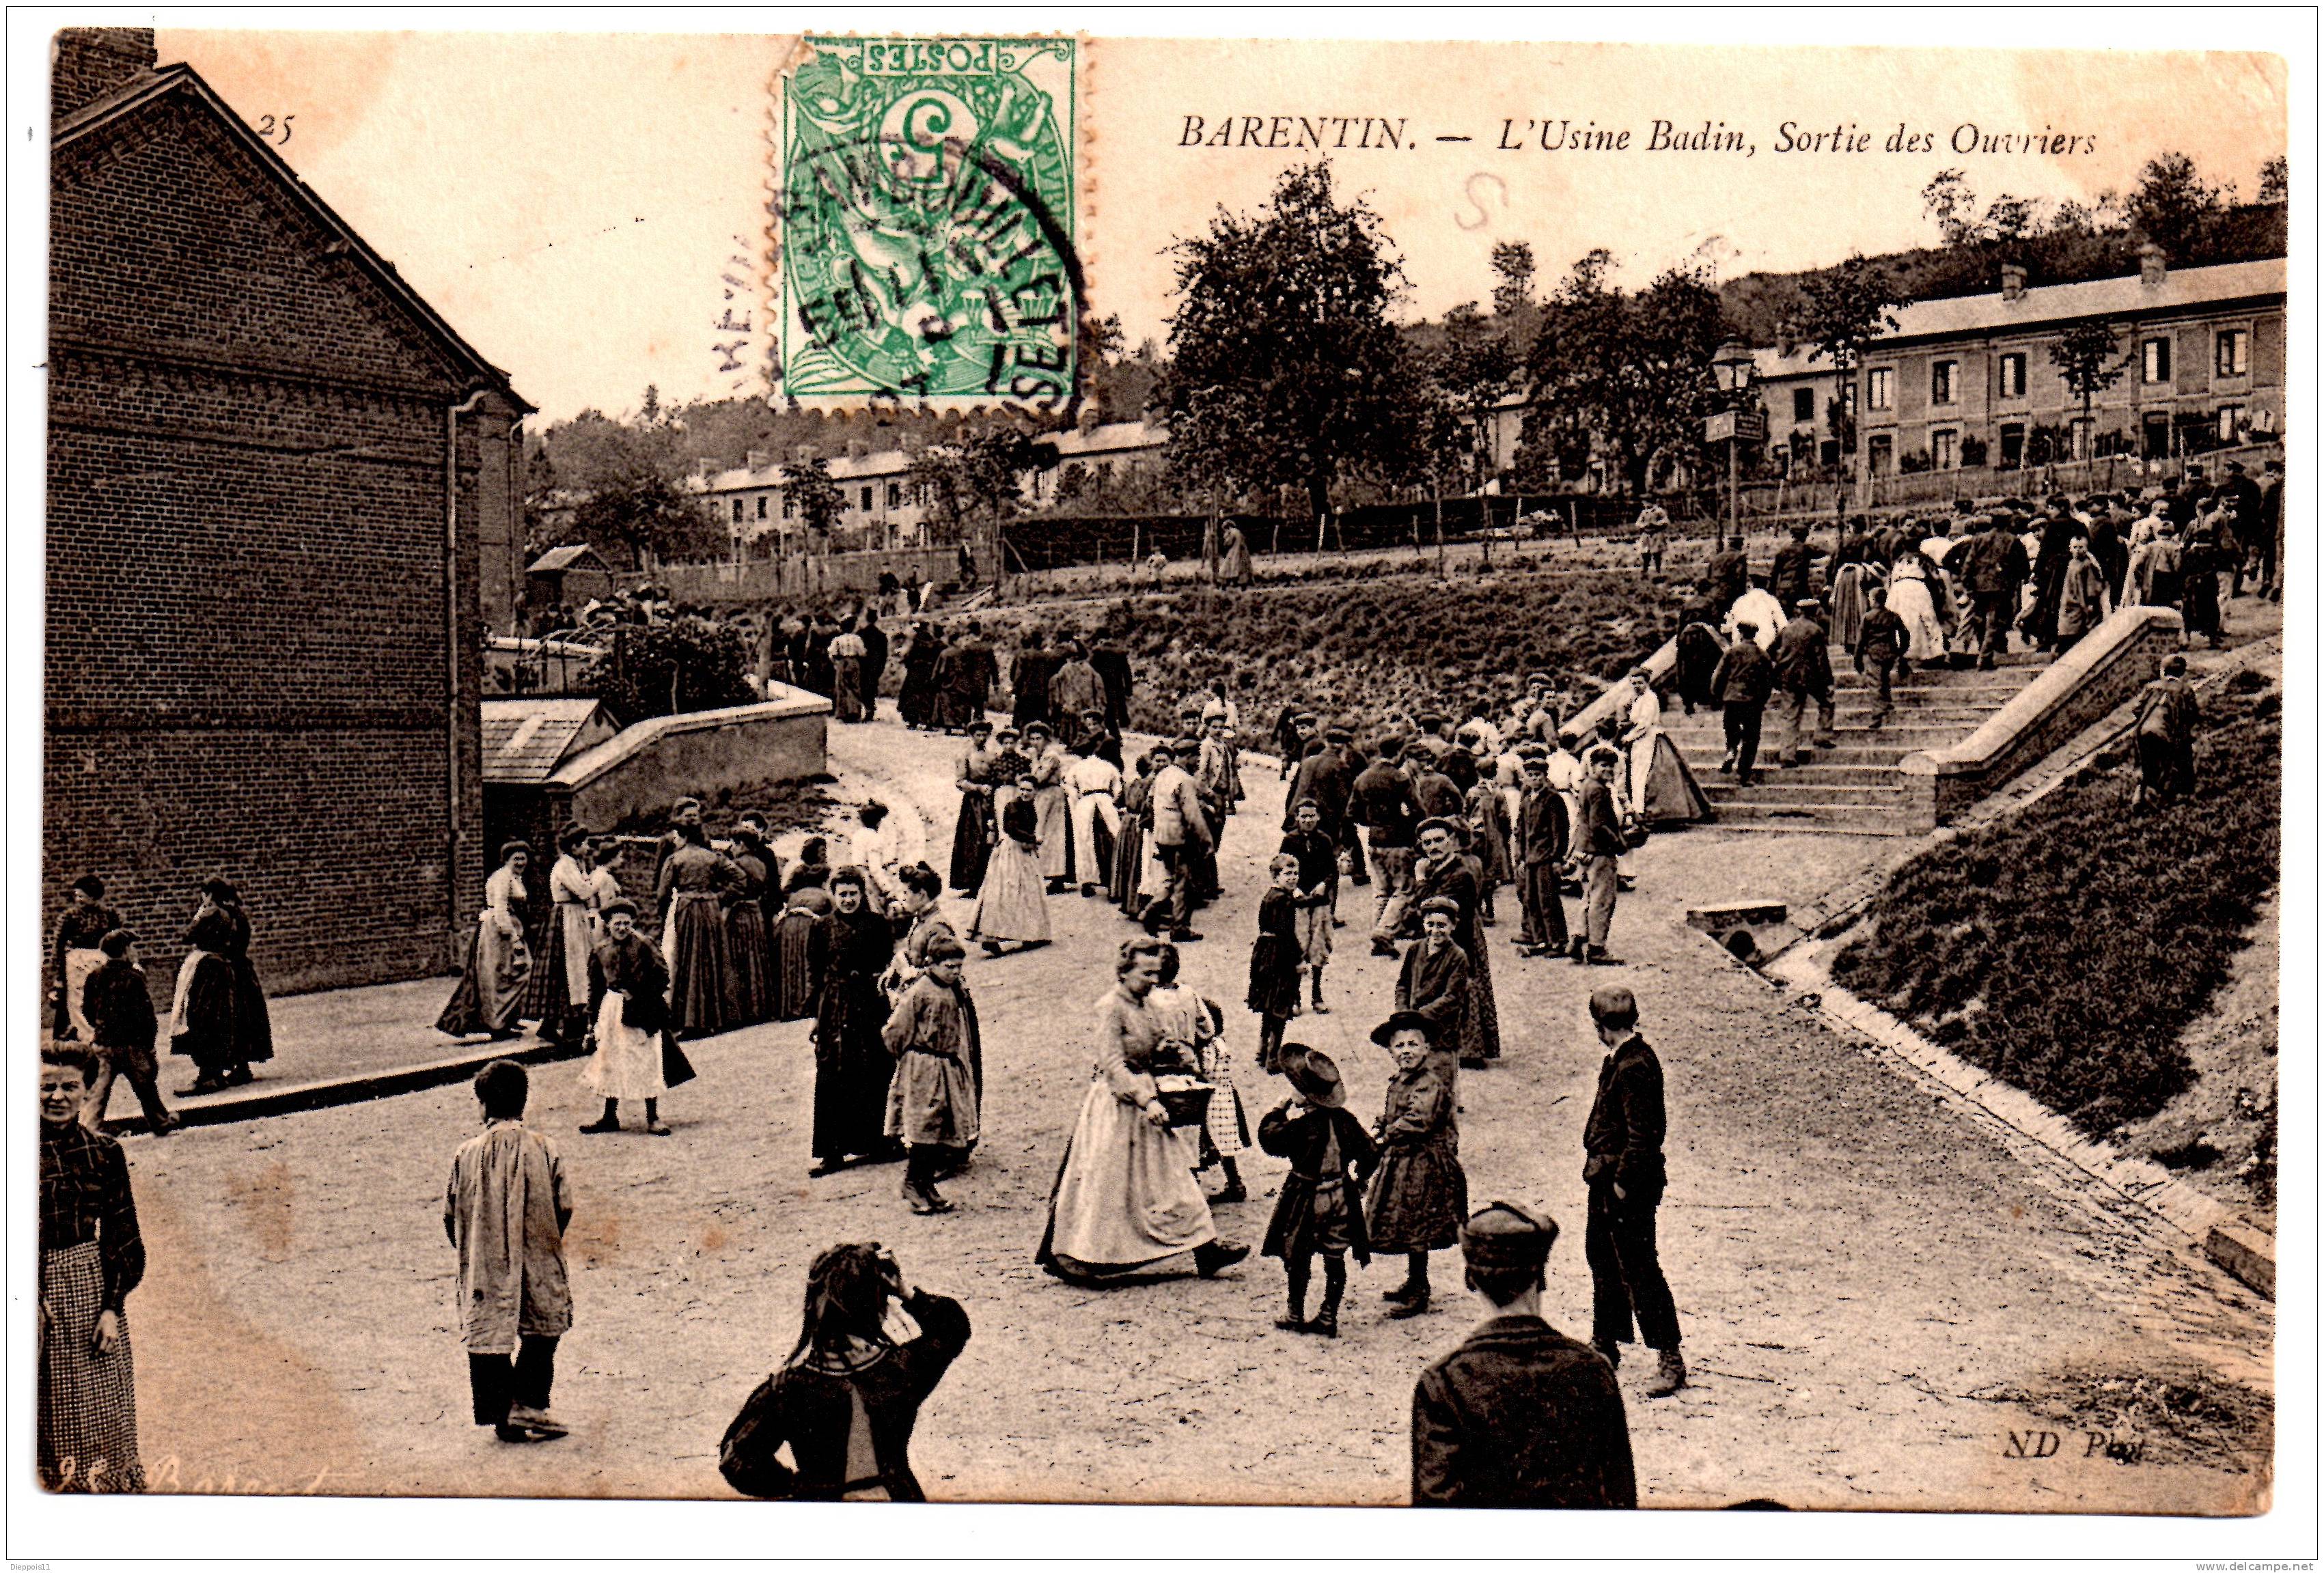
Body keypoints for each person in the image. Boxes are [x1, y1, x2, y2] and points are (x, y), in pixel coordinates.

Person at [1037, 939, 1249, 1284]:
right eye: (1145, 973)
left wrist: (1174, 1052)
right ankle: (1086, 1256)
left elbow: (1155, 1042)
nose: (1153, 980)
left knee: (1177, 1175)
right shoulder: (1110, 1007)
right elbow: (1112, 1064)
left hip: (1149, 1101)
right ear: (1124, 972)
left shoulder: (1147, 1004)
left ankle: (1205, 1248)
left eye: (1156, 973)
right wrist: (1146, 1100)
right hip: (1118, 1106)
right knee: (1109, 1183)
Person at [1409, 1201, 1635, 1508]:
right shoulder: (1593, 1369)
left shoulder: (1444, 1383)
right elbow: (1620, 1495)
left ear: (1470, 1280)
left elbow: (1436, 1506)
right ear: (1542, 1278)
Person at [718, 1244, 971, 1501]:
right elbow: (952, 1328)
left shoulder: (787, 1390)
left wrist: (797, 1486)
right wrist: (905, 1291)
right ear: (878, 1305)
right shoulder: (900, 1371)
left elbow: (738, 1461)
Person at [445, 1060, 574, 1443]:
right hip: (537, 1252)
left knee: (489, 1331)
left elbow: (451, 1211)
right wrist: (547, 1239)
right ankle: (528, 1402)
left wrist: (469, 1247)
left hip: (484, 1259)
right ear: (524, 1103)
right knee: (544, 1323)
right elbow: (563, 1204)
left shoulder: (466, 1154)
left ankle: (502, 1413)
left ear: (483, 1105)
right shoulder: (545, 1148)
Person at [38, 1044, 147, 1491]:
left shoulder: (104, 1152)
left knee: (96, 1406)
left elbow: (123, 1233)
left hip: (86, 1291)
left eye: (69, 1086)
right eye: (46, 1086)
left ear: (88, 1091)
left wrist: (110, 1307)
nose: (57, 1096)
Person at [1582, 986, 1685, 1397]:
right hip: (1606, 1179)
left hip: (1626, 1185)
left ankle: (1670, 1357)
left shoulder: (1634, 1066)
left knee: (1639, 1268)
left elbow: (1644, 1137)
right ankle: (1606, 1344)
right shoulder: (1623, 1058)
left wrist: (1623, 1183)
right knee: (1603, 1258)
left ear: (1599, 1026)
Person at [1259, 1046, 1377, 1338]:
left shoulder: (1300, 1127)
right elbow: (1371, 1153)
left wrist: (1278, 1109)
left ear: (1304, 1095)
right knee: (1334, 1258)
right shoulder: (1346, 1120)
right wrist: (1360, 1179)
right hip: (1341, 1196)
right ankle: (1328, 1316)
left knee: (1298, 1255)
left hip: (1306, 1199)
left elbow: (1270, 1140)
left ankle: (1295, 1312)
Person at [1366, 1013, 1467, 1320]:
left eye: (1413, 1044)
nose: (1406, 1051)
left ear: (1427, 1049)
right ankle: (1414, 1280)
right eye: (1399, 1046)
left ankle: (1421, 1290)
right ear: (1391, 1052)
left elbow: (1419, 1120)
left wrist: (1388, 1133)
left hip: (1425, 1163)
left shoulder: (1430, 1083)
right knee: (1407, 1220)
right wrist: (1382, 1123)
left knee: (1418, 1222)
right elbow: (1397, 1112)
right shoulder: (1400, 1081)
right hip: (1405, 1160)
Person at [810, 869, 903, 1175]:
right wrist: (816, 1017)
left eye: (853, 893)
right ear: (833, 896)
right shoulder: (821, 927)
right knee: (833, 1075)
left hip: (869, 1005)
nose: (848, 900)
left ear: (862, 894)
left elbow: (888, 966)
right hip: (834, 1008)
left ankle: (873, 1142)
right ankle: (832, 1152)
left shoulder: (877, 925)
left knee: (873, 1071)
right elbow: (815, 974)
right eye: (842, 894)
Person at [882, 935, 980, 1215]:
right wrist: (911, 1058)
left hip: (947, 1064)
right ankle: (913, 1182)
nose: (955, 972)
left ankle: (926, 1184)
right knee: (925, 1124)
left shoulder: (954, 988)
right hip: (924, 1067)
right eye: (949, 966)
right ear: (932, 964)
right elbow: (895, 1030)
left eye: (959, 967)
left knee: (942, 1124)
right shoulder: (920, 992)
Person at [578, 899, 686, 1135]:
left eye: (627, 923)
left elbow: (663, 976)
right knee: (610, 1060)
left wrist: (640, 994)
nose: (622, 928)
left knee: (645, 1059)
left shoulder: (644, 945)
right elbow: (594, 988)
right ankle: (609, 1116)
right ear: (608, 925)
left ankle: (653, 1117)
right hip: (612, 1009)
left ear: (633, 924)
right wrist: (591, 1020)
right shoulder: (600, 951)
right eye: (617, 923)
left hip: (642, 1009)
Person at [1152, 948, 1248, 1204]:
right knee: (1195, 1131)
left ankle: (1179, 1188)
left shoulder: (1148, 998)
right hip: (1191, 1071)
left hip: (1161, 1071)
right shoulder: (1188, 993)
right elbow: (1207, 1028)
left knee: (1170, 1130)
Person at [1403, 821, 1502, 1066]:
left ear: (1451, 840)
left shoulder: (1460, 873)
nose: (1433, 847)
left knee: (1462, 988)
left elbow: (1430, 907)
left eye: (1439, 840)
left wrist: (1420, 879)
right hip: (1443, 934)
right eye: (1427, 843)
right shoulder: (1438, 868)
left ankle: (1470, 1050)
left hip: (1461, 935)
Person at [79, 930, 176, 1135]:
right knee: (145, 1086)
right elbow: (145, 1014)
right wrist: (149, 1042)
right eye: (131, 947)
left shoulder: (94, 977)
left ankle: (89, 1128)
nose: (133, 951)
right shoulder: (134, 977)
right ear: (125, 951)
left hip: (104, 1042)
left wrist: (99, 1028)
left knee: (99, 1090)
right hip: (132, 1044)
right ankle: (160, 1122)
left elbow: (87, 1009)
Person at [659, 822, 741, 1039]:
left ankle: (691, 1021)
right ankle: (719, 1017)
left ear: (683, 836)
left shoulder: (675, 859)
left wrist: (667, 912)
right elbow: (739, 878)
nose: (675, 840)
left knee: (689, 959)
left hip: (687, 908)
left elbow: (662, 893)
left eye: (676, 835)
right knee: (713, 957)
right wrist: (719, 897)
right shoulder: (713, 857)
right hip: (711, 908)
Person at [524, 827, 598, 1046]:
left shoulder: (576, 864)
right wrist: (600, 878)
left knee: (573, 970)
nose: (587, 847)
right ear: (574, 846)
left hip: (576, 916)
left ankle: (561, 1024)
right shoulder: (565, 866)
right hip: (567, 919)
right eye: (584, 843)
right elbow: (584, 892)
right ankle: (559, 1024)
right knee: (568, 969)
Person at [1352, 739, 1422, 956]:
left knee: (1381, 891)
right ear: (1398, 753)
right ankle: (1384, 931)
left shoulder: (1363, 778)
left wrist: (1373, 822)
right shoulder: (1400, 778)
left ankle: (1377, 939)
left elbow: (1351, 813)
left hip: (1375, 839)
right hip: (1399, 840)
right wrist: (1405, 822)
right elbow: (1418, 809)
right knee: (1403, 889)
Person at [969, 777, 1051, 954]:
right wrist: (1033, 839)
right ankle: (992, 937)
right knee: (1007, 892)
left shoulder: (1030, 807)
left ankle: (1030, 933)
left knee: (1028, 891)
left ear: (1036, 791)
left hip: (1024, 850)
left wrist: (1031, 841)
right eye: (1022, 789)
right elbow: (1011, 829)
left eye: (1029, 790)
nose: (1025, 793)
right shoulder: (1013, 806)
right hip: (1012, 850)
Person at [1142, 738, 1212, 943]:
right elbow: (1193, 816)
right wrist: (1206, 842)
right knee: (1184, 883)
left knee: (1172, 878)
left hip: (1162, 835)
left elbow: (1149, 800)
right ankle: (1178, 927)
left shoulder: (1163, 774)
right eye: (1196, 758)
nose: (1197, 763)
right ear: (1188, 757)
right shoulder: (1185, 780)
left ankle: (1151, 911)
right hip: (1179, 839)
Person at [1247, 854, 1310, 1074]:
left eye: (1296, 874)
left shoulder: (1271, 897)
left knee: (1268, 1003)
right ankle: (1273, 1057)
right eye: (1288, 874)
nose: (1293, 878)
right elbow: (1287, 934)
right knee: (1281, 1004)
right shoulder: (1284, 901)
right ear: (1276, 876)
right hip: (1281, 955)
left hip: (1265, 952)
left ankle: (1262, 1048)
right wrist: (1299, 959)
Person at [1279, 798, 1338, 1015]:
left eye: (1312, 816)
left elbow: (1333, 870)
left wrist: (1324, 885)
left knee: (1318, 948)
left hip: (1319, 902)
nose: (1308, 820)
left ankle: (1316, 995)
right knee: (1298, 947)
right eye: (1303, 816)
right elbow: (1281, 868)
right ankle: (1294, 997)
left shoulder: (1324, 840)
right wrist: (1294, 889)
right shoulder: (1290, 841)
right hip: (1298, 904)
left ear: (1318, 817)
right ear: (1296, 818)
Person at [1512, 753, 1571, 959]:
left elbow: (1560, 831)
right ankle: (1540, 940)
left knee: (1548, 899)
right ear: (1525, 778)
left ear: (1545, 776)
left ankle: (1558, 941)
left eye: (1538, 775)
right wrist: (1521, 858)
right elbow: (1521, 830)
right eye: (1530, 775)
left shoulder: (1553, 799)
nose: (1534, 779)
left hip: (1546, 858)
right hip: (1530, 859)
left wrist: (1557, 857)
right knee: (1531, 900)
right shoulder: (1527, 800)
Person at [50, 873, 120, 1042]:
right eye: (77, 896)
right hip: (77, 961)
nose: (78, 899)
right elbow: (58, 945)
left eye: (82, 896)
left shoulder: (109, 914)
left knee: (103, 997)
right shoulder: (70, 916)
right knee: (77, 999)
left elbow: (118, 939)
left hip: (101, 959)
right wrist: (58, 974)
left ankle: (104, 1034)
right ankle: (81, 1037)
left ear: (94, 897)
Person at [1956, 512, 2031, 669]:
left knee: (1978, 619)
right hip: (2000, 586)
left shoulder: (1979, 539)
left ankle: (1967, 652)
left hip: (1979, 586)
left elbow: (1969, 564)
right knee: (1994, 622)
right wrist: (2017, 580)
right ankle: (1985, 657)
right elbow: (2022, 566)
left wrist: (1968, 585)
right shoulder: (2012, 540)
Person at [1574, 750, 1627, 967]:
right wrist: (1618, 842)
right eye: (1603, 765)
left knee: (1589, 896)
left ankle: (1578, 938)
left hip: (1586, 848)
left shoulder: (1586, 785)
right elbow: (1598, 825)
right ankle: (1597, 948)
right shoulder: (1599, 790)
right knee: (1602, 900)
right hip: (1600, 851)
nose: (1608, 770)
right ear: (1593, 766)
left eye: (1611, 766)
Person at [724, 818, 779, 1026]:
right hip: (756, 912)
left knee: (740, 958)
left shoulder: (736, 865)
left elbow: (733, 891)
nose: (732, 847)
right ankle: (761, 1007)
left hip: (740, 913)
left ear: (741, 844)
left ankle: (744, 1009)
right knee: (757, 957)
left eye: (734, 843)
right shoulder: (760, 863)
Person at [2129, 653, 2200, 810]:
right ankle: (2166, 798)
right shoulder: (2185, 690)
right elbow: (2192, 715)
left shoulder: (2152, 687)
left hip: (2143, 731)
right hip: (2165, 732)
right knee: (2171, 762)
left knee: (2146, 763)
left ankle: (2139, 798)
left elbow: (2136, 709)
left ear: (2163, 672)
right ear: (2183, 673)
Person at [1771, 600, 1837, 767]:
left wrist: (1779, 666)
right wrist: (1828, 681)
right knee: (1828, 701)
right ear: (1815, 612)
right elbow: (1822, 660)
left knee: (1791, 715)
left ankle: (1787, 754)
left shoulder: (1787, 629)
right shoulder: (1816, 630)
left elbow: (1770, 650)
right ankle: (1822, 736)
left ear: (1800, 611)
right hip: (1810, 677)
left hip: (1788, 677)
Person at [1709, 626, 1774, 788]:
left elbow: (1718, 677)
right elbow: (1768, 682)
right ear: (1754, 635)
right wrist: (1763, 700)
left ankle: (1731, 750)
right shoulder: (1762, 655)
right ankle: (1743, 774)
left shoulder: (1731, 653)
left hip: (1731, 699)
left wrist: (1719, 696)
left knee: (1732, 730)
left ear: (1740, 634)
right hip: (1753, 702)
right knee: (1751, 739)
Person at [773, 858, 835, 1020]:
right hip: (809, 926)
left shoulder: (797, 895)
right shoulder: (825, 895)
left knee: (792, 965)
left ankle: (791, 1006)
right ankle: (806, 1005)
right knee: (809, 964)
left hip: (790, 928)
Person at [1064, 739, 1124, 898]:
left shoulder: (1077, 767)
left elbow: (1069, 786)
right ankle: (1114, 881)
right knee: (1113, 837)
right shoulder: (1109, 766)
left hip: (1086, 802)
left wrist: (1077, 798)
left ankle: (1087, 882)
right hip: (1105, 801)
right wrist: (1113, 800)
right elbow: (1118, 789)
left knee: (1084, 840)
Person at [949, 719, 1002, 893]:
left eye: (984, 735)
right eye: (978, 735)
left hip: (990, 799)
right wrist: (978, 788)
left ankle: (990, 881)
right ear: (971, 736)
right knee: (972, 839)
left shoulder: (993, 755)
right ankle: (972, 883)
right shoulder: (964, 755)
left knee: (991, 836)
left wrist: (993, 788)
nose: (981, 738)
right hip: (973, 803)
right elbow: (960, 782)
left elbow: (997, 775)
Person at [1021, 722, 1073, 893]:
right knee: (1041, 832)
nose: (1036, 742)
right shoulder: (1037, 756)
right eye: (1033, 739)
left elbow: (1040, 777)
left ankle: (1057, 878)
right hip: (1042, 796)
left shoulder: (1050, 756)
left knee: (1054, 835)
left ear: (1046, 739)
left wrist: (1026, 774)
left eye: (1039, 739)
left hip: (1052, 794)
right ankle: (1044, 875)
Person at [1855, 585, 1909, 729]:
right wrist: (1900, 651)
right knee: (1884, 678)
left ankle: (1878, 714)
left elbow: (1860, 641)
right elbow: (1905, 634)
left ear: (1873, 600)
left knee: (1875, 684)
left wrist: (1857, 659)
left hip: (1874, 654)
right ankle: (1887, 703)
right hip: (1890, 653)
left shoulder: (1868, 617)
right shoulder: (1893, 616)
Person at [1113, 751, 1157, 919]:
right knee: (1140, 863)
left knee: (1129, 862)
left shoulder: (1131, 783)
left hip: (1127, 823)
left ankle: (1128, 903)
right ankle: (1137, 905)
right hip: (1139, 824)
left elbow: (1117, 802)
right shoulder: (1150, 784)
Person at [2055, 534, 2112, 650]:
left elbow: (2091, 584)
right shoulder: (2071, 563)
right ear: (2070, 549)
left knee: (2078, 628)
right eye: (2075, 547)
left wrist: (2091, 601)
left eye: (2081, 547)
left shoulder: (2087, 564)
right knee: (2065, 625)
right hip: (2069, 599)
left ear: (2086, 548)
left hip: (2081, 601)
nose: (2078, 550)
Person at [897, 621, 945, 729]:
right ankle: (927, 721)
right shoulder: (934, 642)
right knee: (927, 696)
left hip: (916, 671)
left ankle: (913, 721)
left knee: (912, 695)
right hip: (928, 671)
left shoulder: (915, 641)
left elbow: (908, 656)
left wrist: (909, 665)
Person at [1010, 629, 1055, 732]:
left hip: (1026, 692)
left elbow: (1019, 676)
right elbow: (1050, 675)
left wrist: (1015, 690)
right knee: (1040, 717)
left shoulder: (1025, 655)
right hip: (1042, 693)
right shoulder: (1047, 656)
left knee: (1025, 718)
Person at [1768, 520, 1821, 607]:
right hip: (1799, 588)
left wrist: (1771, 592)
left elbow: (1775, 573)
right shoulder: (1806, 549)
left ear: (1792, 535)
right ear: (1805, 536)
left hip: (1783, 589)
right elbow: (1822, 552)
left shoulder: (1783, 550)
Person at [829, 621, 868, 724]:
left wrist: (836, 663)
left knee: (842, 687)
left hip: (842, 662)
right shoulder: (857, 639)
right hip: (854, 662)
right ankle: (854, 712)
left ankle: (843, 713)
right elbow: (863, 653)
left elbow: (832, 653)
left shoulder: (837, 639)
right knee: (854, 686)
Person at [1704, 533, 1749, 614]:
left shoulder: (1716, 558)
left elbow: (1708, 576)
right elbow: (1741, 578)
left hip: (1714, 593)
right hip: (1730, 594)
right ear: (1740, 545)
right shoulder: (1739, 557)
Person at [856, 610, 888, 720]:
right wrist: (881, 667)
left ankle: (865, 709)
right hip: (875, 665)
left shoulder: (860, 634)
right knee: (872, 687)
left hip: (863, 665)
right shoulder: (881, 635)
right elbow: (885, 654)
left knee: (862, 686)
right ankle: (870, 709)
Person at [1219, 520, 1254, 585]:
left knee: (1229, 565)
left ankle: (1230, 583)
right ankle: (1242, 583)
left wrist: (1225, 540)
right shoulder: (1238, 531)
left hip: (1235, 550)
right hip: (1242, 551)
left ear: (1228, 527)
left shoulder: (1232, 532)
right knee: (1242, 566)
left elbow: (1229, 543)